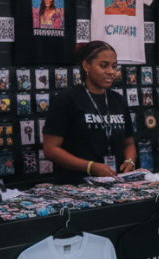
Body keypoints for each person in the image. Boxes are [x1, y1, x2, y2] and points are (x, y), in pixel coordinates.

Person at [44, 41, 137, 183]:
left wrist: (130, 161)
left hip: (116, 184)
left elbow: (129, 143)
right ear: (86, 66)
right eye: (103, 65)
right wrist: (90, 167)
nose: (111, 71)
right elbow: (51, 149)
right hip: (76, 186)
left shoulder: (118, 100)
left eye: (114, 66)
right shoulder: (66, 100)